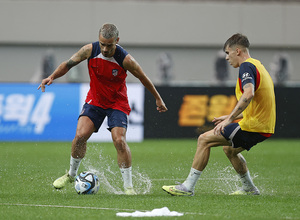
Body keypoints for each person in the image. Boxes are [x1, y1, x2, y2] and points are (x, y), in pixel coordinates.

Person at [38, 23, 168, 195]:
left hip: (117, 103)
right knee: (80, 136)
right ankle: (71, 175)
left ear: (117, 41)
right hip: (95, 101)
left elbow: (144, 78)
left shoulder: (126, 59)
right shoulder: (89, 50)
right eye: (102, 44)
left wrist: (158, 98)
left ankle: (128, 187)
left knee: (119, 141)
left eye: (109, 45)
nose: (105, 49)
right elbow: (68, 64)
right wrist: (52, 76)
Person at [162, 33, 276, 196]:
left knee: (204, 139)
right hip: (263, 125)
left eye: (227, 53)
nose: (226, 58)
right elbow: (260, 102)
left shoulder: (246, 66)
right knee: (229, 150)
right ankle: (249, 188)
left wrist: (229, 119)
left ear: (237, 51)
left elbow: (248, 94)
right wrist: (232, 117)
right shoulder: (258, 65)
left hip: (255, 126)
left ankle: (187, 187)